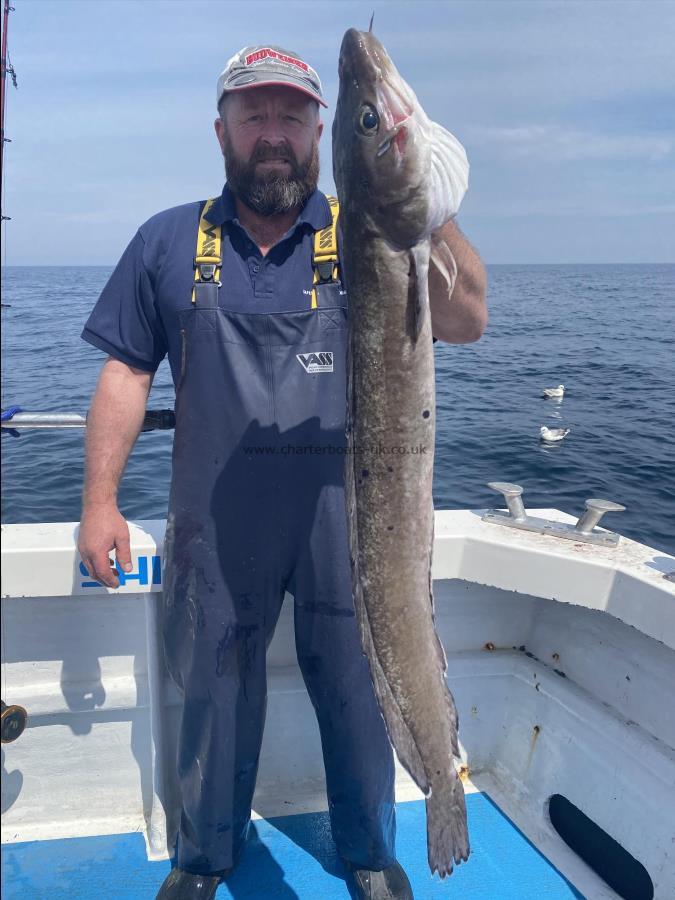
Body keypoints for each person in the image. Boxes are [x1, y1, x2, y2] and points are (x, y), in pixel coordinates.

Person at [77, 44, 487, 900]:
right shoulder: (165, 242)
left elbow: (466, 318)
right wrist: (100, 501)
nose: (273, 134)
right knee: (211, 703)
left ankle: (372, 852)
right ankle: (202, 860)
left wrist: (433, 213)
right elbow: (124, 372)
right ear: (221, 129)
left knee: (359, 692)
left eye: (291, 117)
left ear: (318, 131)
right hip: (217, 524)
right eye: (254, 115)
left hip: (347, 520)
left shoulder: (370, 230)